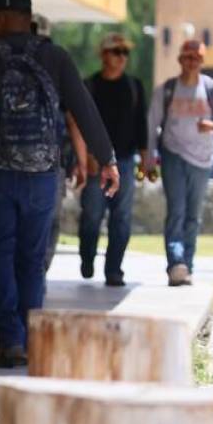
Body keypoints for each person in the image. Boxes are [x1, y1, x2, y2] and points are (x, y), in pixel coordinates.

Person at [0, 0, 119, 369]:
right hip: (42, 174)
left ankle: (9, 339)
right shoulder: (55, 57)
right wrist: (107, 159)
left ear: (1, 18)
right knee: (32, 258)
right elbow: (84, 109)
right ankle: (30, 332)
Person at [144, 40, 213, 286]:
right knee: (177, 211)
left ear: (202, 61)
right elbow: (151, 126)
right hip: (173, 154)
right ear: (180, 60)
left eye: (196, 57)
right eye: (187, 56)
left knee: (193, 215)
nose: (191, 61)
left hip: (203, 160)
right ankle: (176, 263)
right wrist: (149, 159)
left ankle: (188, 265)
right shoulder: (167, 90)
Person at [79, 33, 148, 286]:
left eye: (125, 52)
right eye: (116, 51)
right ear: (103, 55)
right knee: (92, 216)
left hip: (126, 162)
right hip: (97, 161)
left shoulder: (134, 86)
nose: (122, 57)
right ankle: (87, 257)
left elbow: (141, 124)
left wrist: (146, 157)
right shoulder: (90, 86)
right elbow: (80, 124)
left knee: (122, 218)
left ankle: (114, 270)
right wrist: (86, 155)